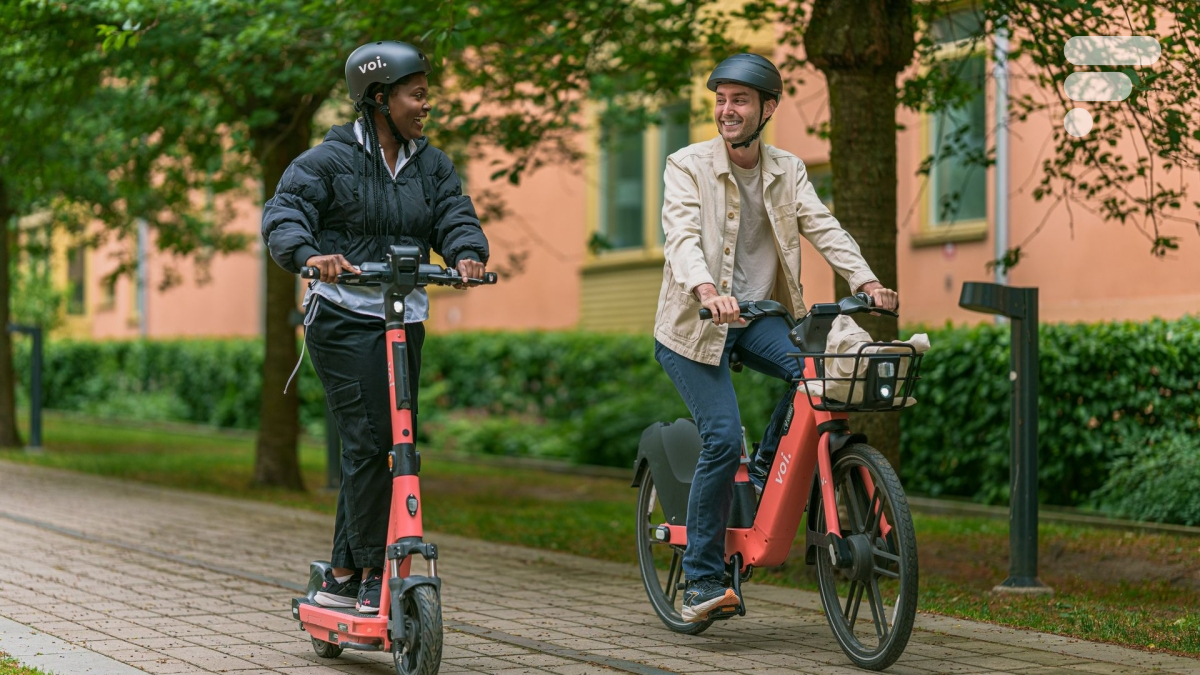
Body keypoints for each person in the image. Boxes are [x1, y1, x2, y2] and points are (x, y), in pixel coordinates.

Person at [653, 53, 899, 623]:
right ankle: (701, 581)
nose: (726, 110)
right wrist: (706, 288)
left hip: (758, 316)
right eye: (721, 99)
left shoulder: (787, 170)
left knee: (815, 374)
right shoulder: (686, 165)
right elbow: (681, 235)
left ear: (767, 108)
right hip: (695, 325)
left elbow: (823, 225)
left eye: (739, 100)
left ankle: (765, 469)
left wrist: (865, 280)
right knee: (720, 438)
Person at [261, 41, 488, 614]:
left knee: (394, 443)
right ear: (380, 98)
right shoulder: (326, 161)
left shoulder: (431, 165)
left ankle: (342, 572)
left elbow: (453, 214)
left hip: (402, 317)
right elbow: (285, 214)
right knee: (371, 442)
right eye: (417, 95)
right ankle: (369, 571)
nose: (426, 105)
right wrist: (310, 256)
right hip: (342, 316)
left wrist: (466, 253)